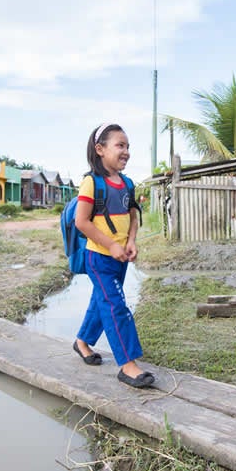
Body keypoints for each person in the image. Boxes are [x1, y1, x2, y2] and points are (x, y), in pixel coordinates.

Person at [73, 123, 155, 389]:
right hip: (99, 258)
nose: (126, 151)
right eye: (120, 145)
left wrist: (131, 241)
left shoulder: (127, 184)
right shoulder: (91, 183)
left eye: (128, 146)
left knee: (102, 300)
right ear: (100, 149)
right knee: (116, 305)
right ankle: (127, 365)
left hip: (120, 258)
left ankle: (82, 342)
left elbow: (133, 218)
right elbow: (82, 222)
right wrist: (111, 245)